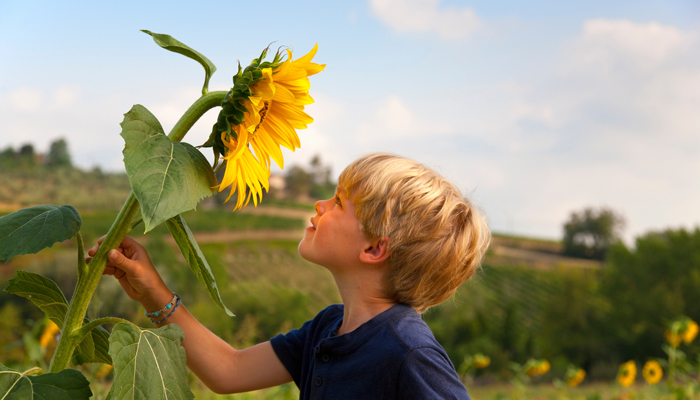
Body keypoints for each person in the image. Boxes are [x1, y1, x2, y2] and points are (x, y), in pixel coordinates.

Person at [89, 153, 491, 399]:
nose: (319, 204)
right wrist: (151, 292)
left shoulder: (409, 353)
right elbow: (228, 371)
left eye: (338, 202)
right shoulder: (327, 329)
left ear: (373, 249)